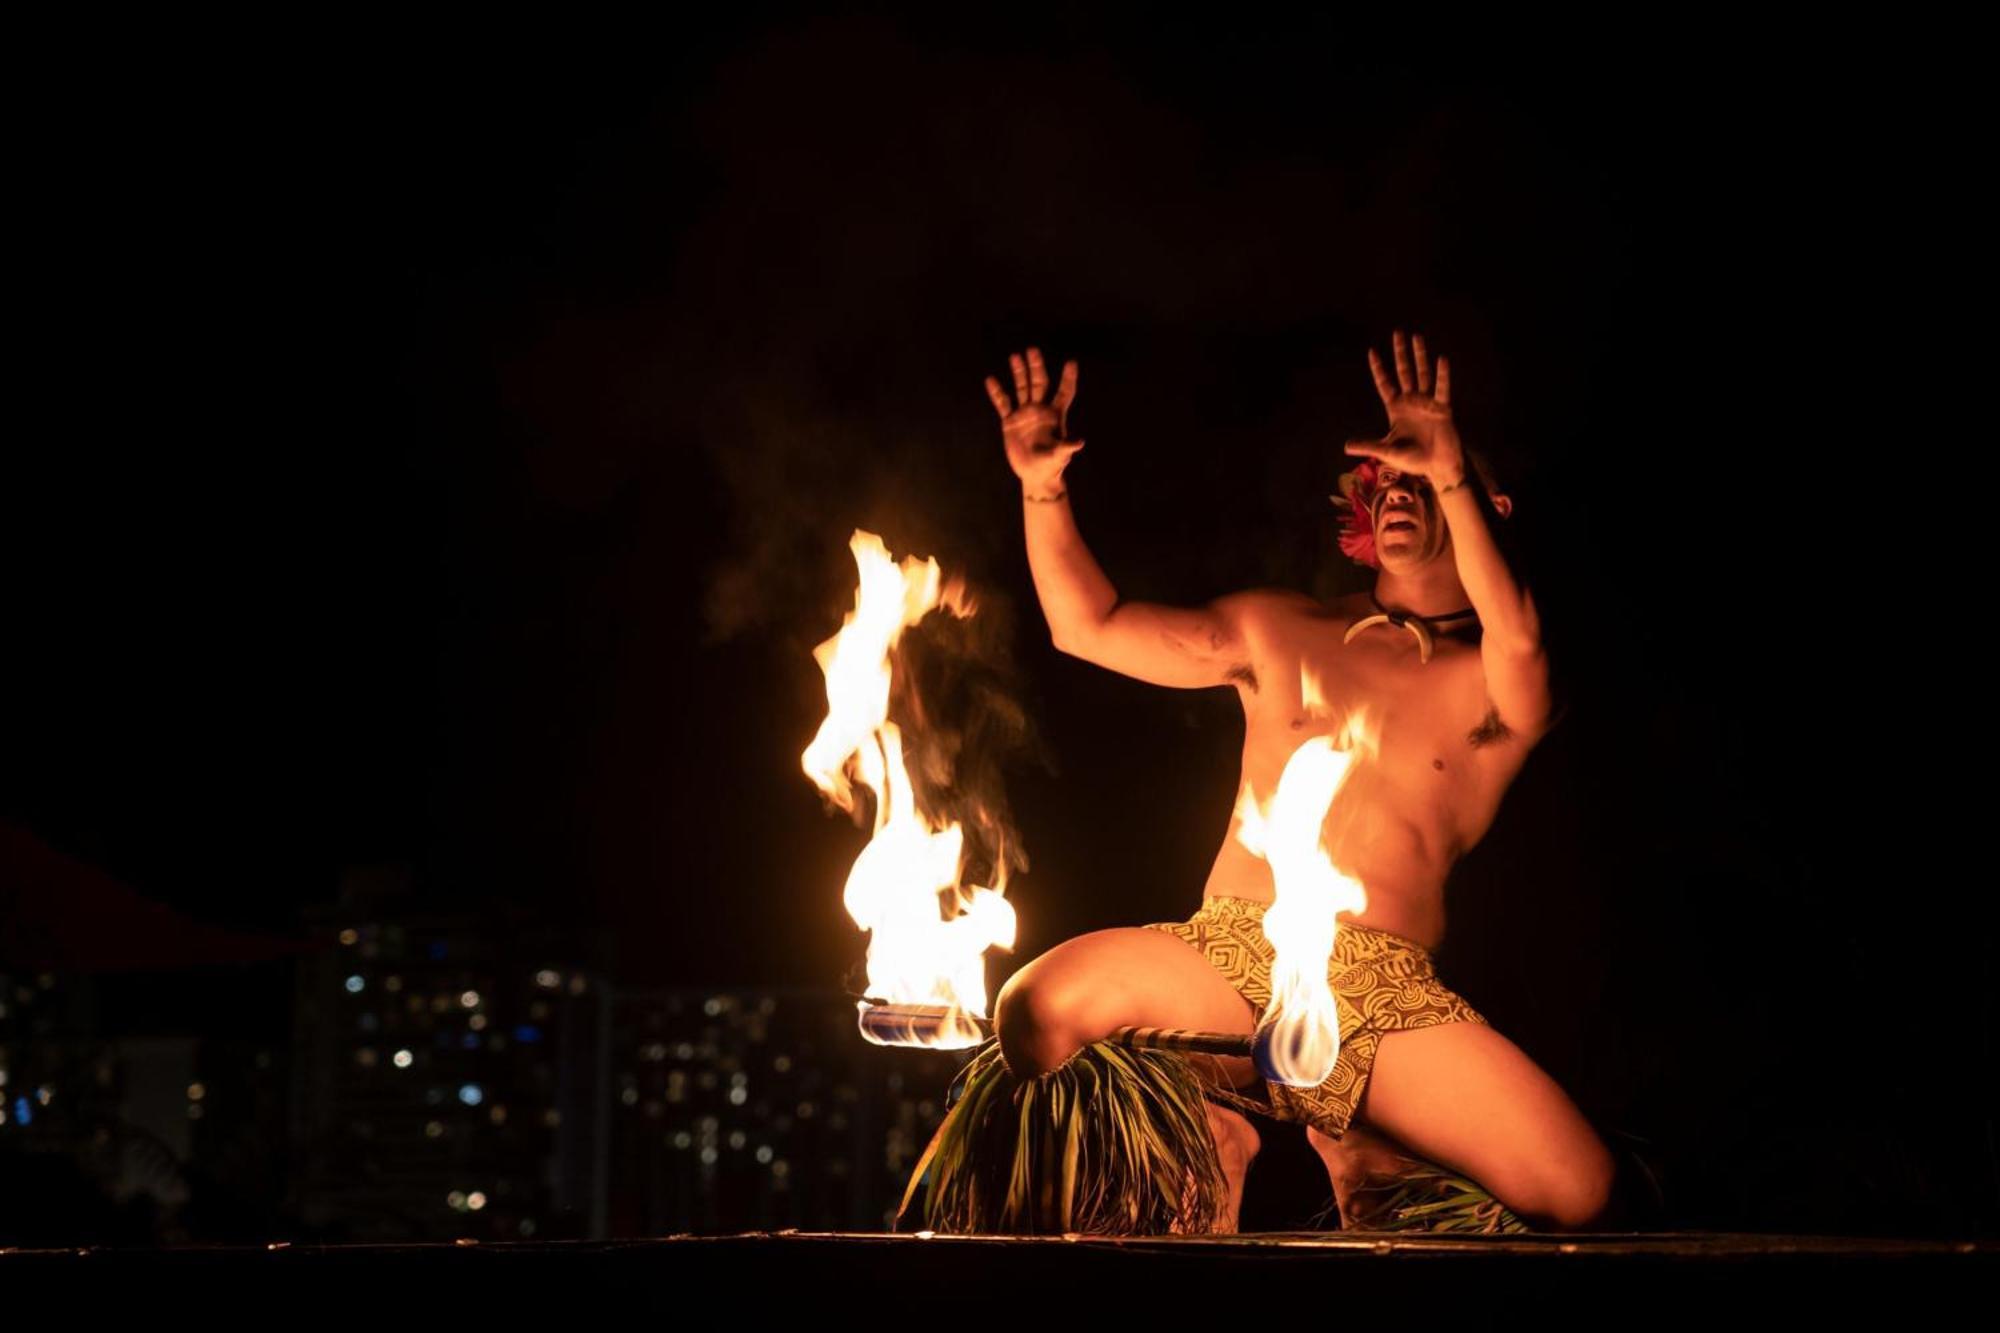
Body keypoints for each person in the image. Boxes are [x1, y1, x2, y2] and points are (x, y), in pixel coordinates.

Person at [972, 334, 1617, 1233]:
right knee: (1036, 1008)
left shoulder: (1495, 684)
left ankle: (1370, 1156)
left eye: (1427, 479)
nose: (1401, 488)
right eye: (1391, 477)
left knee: (1578, 1187)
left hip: (1381, 997)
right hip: (1230, 957)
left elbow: (1523, 640)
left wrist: (1452, 468)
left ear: (1486, 504)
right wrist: (1042, 488)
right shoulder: (1282, 628)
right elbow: (1090, 625)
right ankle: (1216, 1127)